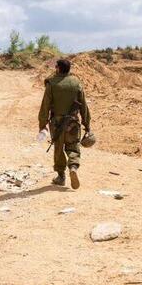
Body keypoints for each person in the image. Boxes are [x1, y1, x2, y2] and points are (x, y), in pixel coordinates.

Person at [38, 58, 90, 189]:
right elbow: (84, 105)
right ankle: (73, 167)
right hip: (73, 122)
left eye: (56, 67)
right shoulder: (76, 82)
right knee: (73, 146)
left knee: (58, 148)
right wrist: (87, 124)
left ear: (59, 68)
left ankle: (61, 176)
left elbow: (45, 106)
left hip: (56, 123)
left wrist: (42, 124)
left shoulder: (52, 83)